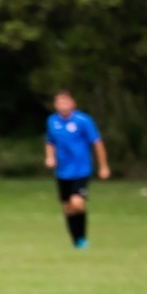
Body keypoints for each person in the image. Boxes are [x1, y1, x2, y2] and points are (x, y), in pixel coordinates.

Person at [44, 90, 109, 249]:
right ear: (55, 105)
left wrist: (103, 166)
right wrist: (50, 157)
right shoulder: (52, 121)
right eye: (59, 102)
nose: (62, 104)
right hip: (62, 171)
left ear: (73, 103)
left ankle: (82, 239)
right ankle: (76, 240)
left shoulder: (83, 120)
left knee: (77, 203)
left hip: (81, 170)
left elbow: (97, 143)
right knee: (68, 207)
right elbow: (50, 142)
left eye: (65, 101)